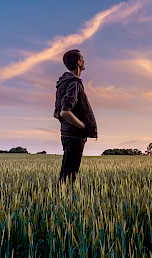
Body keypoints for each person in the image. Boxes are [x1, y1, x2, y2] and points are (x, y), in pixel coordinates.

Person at [54, 49, 97, 187]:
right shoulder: (74, 83)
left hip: (66, 133)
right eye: (82, 58)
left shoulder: (62, 83)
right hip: (75, 135)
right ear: (78, 62)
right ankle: (63, 203)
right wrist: (82, 126)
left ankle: (60, 200)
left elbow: (56, 113)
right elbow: (64, 112)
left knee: (67, 173)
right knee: (69, 177)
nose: (84, 61)